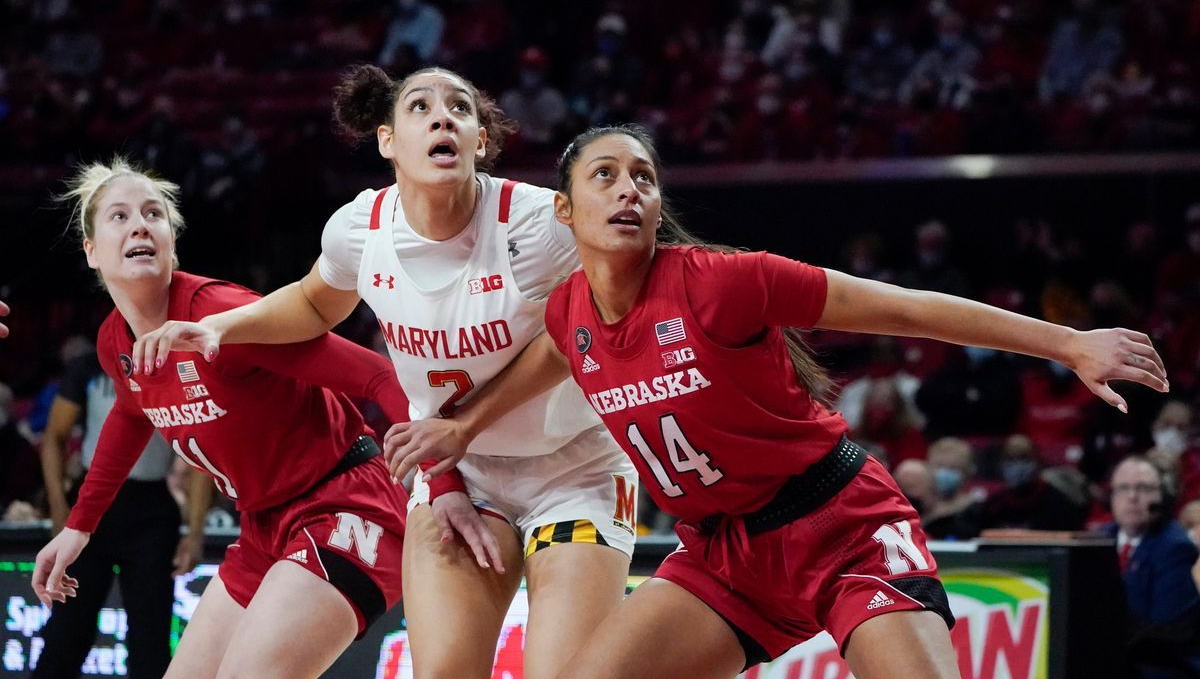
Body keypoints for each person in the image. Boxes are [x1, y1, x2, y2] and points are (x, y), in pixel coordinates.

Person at [386, 123, 1170, 679]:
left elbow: (901, 307)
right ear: (565, 210)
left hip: (838, 525)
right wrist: (460, 429)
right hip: (725, 556)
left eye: (645, 178)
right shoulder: (570, 313)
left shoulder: (724, 281)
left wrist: (1066, 343)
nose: (629, 190)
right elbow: (550, 357)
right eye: (606, 176)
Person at [132, 66, 639, 679]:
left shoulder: (535, 225)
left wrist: (466, 424)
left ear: (480, 141)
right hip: (463, 473)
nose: (442, 116)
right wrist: (223, 328)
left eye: (459, 108)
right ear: (388, 141)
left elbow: (580, 333)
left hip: (572, 466)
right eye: (420, 107)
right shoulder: (361, 228)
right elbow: (316, 303)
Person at [32, 157, 486, 679]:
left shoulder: (219, 316)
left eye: (153, 213)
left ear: (171, 242)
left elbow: (379, 376)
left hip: (344, 503)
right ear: (91, 252)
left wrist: (445, 482)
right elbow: (132, 415)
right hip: (262, 527)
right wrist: (79, 528)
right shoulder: (116, 342)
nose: (139, 224)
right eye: (119, 216)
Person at [35, 344, 212, 679]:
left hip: (152, 508)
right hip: (92, 503)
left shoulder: (178, 366)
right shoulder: (89, 365)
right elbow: (54, 437)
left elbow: (198, 454)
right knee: (67, 631)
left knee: (151, 637)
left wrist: (195, 530)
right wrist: (60, 509)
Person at [1101, 455, 1200, 678]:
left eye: (1144, 488)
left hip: (1160, 668)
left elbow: (1168, 631)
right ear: (1111, 497)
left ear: (1162, 496)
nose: (1132, 497)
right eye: (1123, 488)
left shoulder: (1175, 547)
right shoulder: (1098, 538)